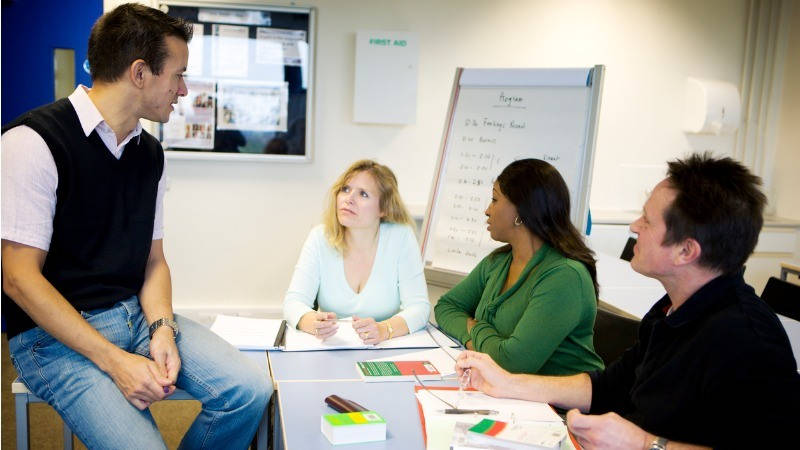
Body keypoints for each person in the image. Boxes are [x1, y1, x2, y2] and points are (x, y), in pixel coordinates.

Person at [1, 4, 271, 448]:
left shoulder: (150, 154)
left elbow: (154, 261)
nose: (183, 90)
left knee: (248, 390)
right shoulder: (31, 142)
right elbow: (17, 279)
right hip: (51, 341)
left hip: (133, 317)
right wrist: (115, 362)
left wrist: (163, 327)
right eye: (178, 75)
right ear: (140, 73)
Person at [456, 154, 800, 449]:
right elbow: (606, 387)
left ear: (686, 250)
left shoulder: (748, 341)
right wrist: (506, 382)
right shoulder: (671, 310)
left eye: (647, 221)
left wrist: (642, 444)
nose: (635, 226)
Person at [435, 159, 604, 375]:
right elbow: (446, 307)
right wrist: (481, 344)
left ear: (521, 212)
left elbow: (512, 363)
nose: (487, 211)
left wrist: (474, 327)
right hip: (510, 394)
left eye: (495, 200)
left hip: (558, 406)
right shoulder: (499, 261)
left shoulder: (565, 276)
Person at [283, 159, 430, 343]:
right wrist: (312, 322)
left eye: (363, 194)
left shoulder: (401, 237)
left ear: (383, 208)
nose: (348, 199)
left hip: (384, 349)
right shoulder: (320, 237)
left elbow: (419, 307)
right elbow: (293, 302)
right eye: (345, 189)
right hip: (332, 347)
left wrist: (384, 329)